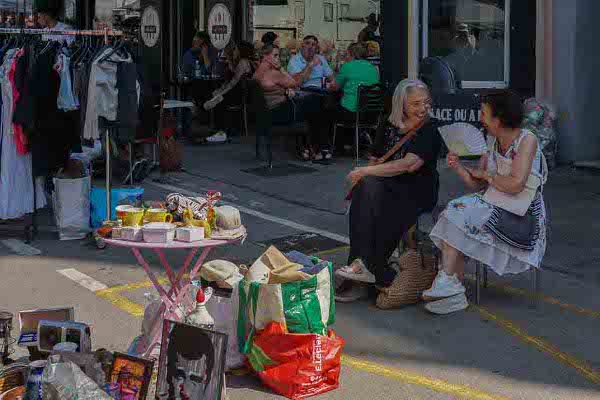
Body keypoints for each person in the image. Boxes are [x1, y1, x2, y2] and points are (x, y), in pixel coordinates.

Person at [423, 90, 547, 314]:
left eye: (484, 113)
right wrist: (459, 167)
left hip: (521, 213)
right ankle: (449, 283)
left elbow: (516, 184)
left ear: (498, 120)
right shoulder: (492, 141)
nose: (480, 118)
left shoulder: (527, 140)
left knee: (456, 212)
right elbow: (477, 185)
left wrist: (487, 177)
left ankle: (449, 282)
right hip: (495, 201)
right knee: (453, 211)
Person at [335, 80, 441, 302]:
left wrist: (365, 172)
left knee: (372, 191)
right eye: (415, 104)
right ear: (401, 105)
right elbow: (375, 158)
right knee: (365, 191)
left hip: (416, 189)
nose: (423, 108)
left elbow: (409, 164)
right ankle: (363, 267)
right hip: (385, 187)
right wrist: (363, 176)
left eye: (426, 103)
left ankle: (366, 269)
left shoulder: (430, 128)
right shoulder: (388, 123)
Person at [331, 42, 379, 152]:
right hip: (371, 113)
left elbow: (335, 87)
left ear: (352, 54)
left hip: (351, 114)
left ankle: (335, 147)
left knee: (326, 110)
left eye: (347, 54)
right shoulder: (373, 68)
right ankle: (352, 143)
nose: (346, 57)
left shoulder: (347, 66)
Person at [204, 41, 257, 141]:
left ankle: (221, 130)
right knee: (215, 97)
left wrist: (221, 93)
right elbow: (231, 82)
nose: (234, 51)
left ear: (241, 51)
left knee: (219, 101)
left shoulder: (243, 62)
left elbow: (233, 83)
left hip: (239, 96)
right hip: (241, 94)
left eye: (236, 49)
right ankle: (220, 129)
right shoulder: (247, 62)